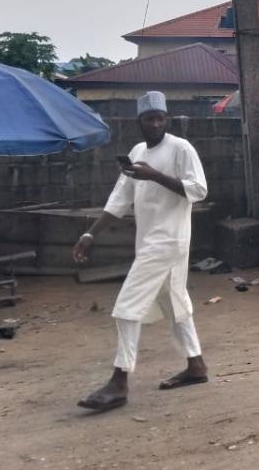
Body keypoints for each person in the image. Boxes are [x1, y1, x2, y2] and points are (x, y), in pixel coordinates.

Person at [72, 91, 209, 413]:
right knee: (175, 304)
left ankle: (119, 382)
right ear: (140, 122)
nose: (156, 123)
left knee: (126, 305)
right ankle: (196, 365)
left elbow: (199, 190)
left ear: (167, 119)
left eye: (161, 118)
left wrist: (155, 176)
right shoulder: (136, 151)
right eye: (150, 118)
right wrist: (90, 233)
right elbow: (119, 198)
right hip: (149, 241)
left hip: (169, 241)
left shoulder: (180, 148)